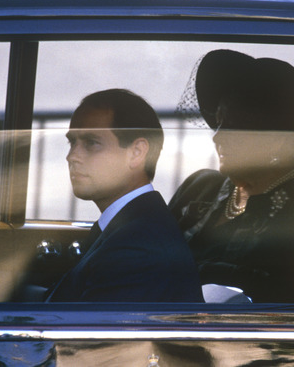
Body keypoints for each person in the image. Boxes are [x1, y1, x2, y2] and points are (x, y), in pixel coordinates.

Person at [169, 49, 294, 303]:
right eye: (220, 122)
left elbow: (272, 293)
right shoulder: (200, 186)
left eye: (233, 126)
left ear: (279, 140)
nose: (217, 136)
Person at [45, 89, 203, 303]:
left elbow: (93, 335)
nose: (72, 156)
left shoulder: (137, 250)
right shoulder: (129, 229)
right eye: (72, 142)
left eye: (92, 143)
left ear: (137, 153)